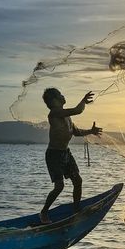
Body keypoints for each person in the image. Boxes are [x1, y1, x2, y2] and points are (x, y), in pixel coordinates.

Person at [39, 88, 102, 224]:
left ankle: (76, 209)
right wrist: (84, 101)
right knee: (59, 186)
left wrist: (91, 131)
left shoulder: (67, 116)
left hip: (65, 153)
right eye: (60, 95)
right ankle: (44, 213)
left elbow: (76, 132)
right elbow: (77, 110)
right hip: (54, 155)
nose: (63, 96)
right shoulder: (54, 113)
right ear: (54, 101)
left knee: (77, 181)